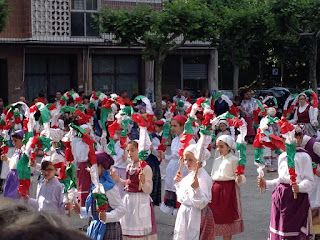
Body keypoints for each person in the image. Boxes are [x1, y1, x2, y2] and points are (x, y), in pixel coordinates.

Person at [257, 137, 314, 239]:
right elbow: (281, 180)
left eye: (294, 137)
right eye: (285, 138)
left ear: (300, 139)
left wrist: (299, 187)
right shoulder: (282, 156)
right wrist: (266, 183)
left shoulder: (304, 157)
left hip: (297, 200)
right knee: (280, 228)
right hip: (280, 198)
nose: (288, 140)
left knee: (293, 230)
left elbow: (309, 181)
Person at [73, 151, 125, 240]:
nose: (90, 170)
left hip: (108, 229)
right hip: (95, 227)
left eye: (93, 166)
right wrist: (81, 210)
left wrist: (107, 216)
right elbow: (95, 211)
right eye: (89, 167)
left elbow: (121, 209)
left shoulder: (109, 187)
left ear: (102, 167)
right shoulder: (95, 185)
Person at [111, 140, 157, 240]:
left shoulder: (146, 168)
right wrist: (118, 179)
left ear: (139, 151)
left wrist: (144, 181)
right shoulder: (129, 166)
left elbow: (148, 190)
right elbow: (129, 183)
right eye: (128, 151)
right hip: (129, 200)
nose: (130, 153)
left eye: (133, 150)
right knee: (127, 227)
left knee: (138, 229)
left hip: (140, 201)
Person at [173, 144, 214, 240]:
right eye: (185, 160)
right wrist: (179, 183)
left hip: (195, 215)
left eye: (190, 160)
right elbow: (182, 198)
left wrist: (197, 189)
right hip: (185, 213)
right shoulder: (190, 175)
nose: (187, 163)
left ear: (199, 160)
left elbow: (201, 203)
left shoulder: (203, 178)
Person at [209, 135, 246, 240]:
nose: (218, 149)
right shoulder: (217, 160)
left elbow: (240, 176)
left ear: (229, 147)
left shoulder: (234, 160)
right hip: (216, 191)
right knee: (214, 218)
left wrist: (239, 179)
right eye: (217, 146)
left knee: (227, 219)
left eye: (221, 146)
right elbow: (212, 175)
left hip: (228, 192)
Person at [0, 199, 90, 240]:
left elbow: (62, 205)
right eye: (43, 170)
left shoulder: (59, 186)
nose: (46, 172)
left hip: (52, 222)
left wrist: (66, 207)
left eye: (49, 169)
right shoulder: (42, 183)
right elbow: (39, 201)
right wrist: (29, 200)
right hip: (39, 220)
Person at [160, 115, 196, 215]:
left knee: (182, 197)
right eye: (172, 126)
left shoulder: (189, 140)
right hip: (173, 168)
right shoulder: (175, 140)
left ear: (182, 126)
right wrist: (164, 156)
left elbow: (192, 157)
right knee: (173, 195)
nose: (172, 128)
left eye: (175, 126)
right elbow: (173, 156)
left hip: (183, 170)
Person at [294, 124, 320, 239]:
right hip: (303, 179)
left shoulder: (313, 144)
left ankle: (318, 233)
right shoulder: (293, 146)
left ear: (300, 137)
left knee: (314, 207)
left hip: (316, 180)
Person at [1, 130, 24, 199]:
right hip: (11, 178)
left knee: (16, 199)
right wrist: (7, 159)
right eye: (12, 141)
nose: (13, 143)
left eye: (15, 140)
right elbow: (13, 164)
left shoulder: (25, 153)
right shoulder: (17, 151)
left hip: (18, 179)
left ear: (22, 140)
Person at [263, 107, 281, 173]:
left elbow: (279, 129)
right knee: (267, 152)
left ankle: (274, 167)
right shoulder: (265, 120)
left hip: (275, 138)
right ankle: (268, 163)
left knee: (274, 153)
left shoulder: (276, 120)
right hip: (267, 138)